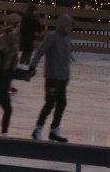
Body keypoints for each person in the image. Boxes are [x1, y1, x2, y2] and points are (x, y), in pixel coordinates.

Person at [28, 14, 74, 143]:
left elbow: (66, 60)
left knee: (61, 104)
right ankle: (37, 129)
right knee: (49, 104)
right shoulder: (52, 38)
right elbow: (40, 51)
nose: (70, 28)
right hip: (52, 77)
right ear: (63, 25)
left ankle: (54, 130)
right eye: (69, 25)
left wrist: (67, 75)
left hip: (62, 78)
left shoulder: (66, 39)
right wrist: (32, 66)